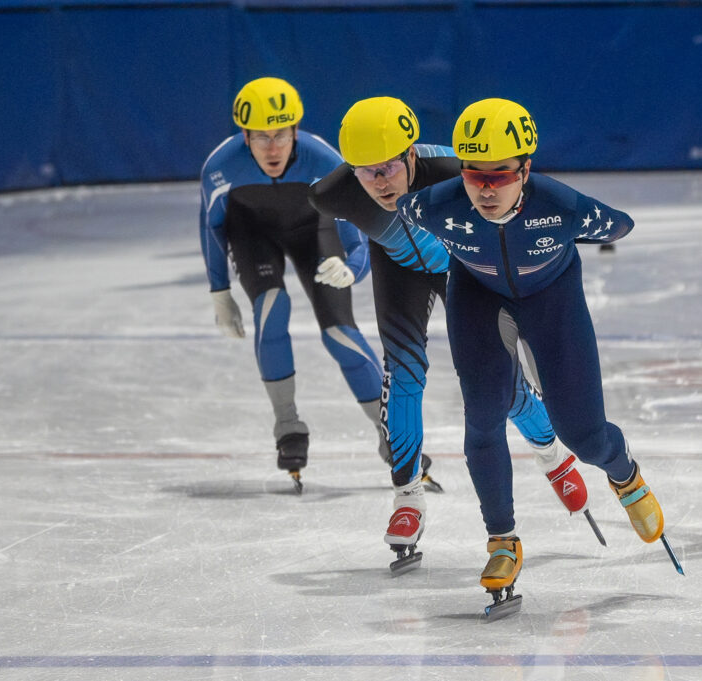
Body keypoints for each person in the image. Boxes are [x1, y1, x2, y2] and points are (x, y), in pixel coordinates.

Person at [395, 98, 675, 616]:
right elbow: (396, 207)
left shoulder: (564, 207)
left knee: (584, 437)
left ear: (526, 169)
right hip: (477, 299)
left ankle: (624, 474)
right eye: (473, 175)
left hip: (553, 300)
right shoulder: (434, 205)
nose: (484, 190)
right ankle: (502, 540)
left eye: (499, 176)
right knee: (483, 416)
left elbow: (621, 225)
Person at [309, 96, 598, 572]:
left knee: (499, 385)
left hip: (465, 272)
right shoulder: (335, 190)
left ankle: (552, 455)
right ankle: (406, 496)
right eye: (366, 171)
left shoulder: (454, 169)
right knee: (402, 375)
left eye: (389, 168)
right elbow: (328, 217)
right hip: (398, 272)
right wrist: (351, 262)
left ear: (411, 155)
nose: (380, 182)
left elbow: (526, 201)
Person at [199, 77, 386, 493]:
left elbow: (360, 227)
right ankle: (287, 426)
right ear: (244, 135)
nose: (271, 148)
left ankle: (390, 431)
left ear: (295, 131)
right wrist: (219, 292)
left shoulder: (325, 160)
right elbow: (210, 225)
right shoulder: (220, 166)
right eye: (261, 137)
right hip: (252, 237)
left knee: (339, 331)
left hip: (314, 231)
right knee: (270, 307)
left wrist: (353, 268)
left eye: (280, 135)